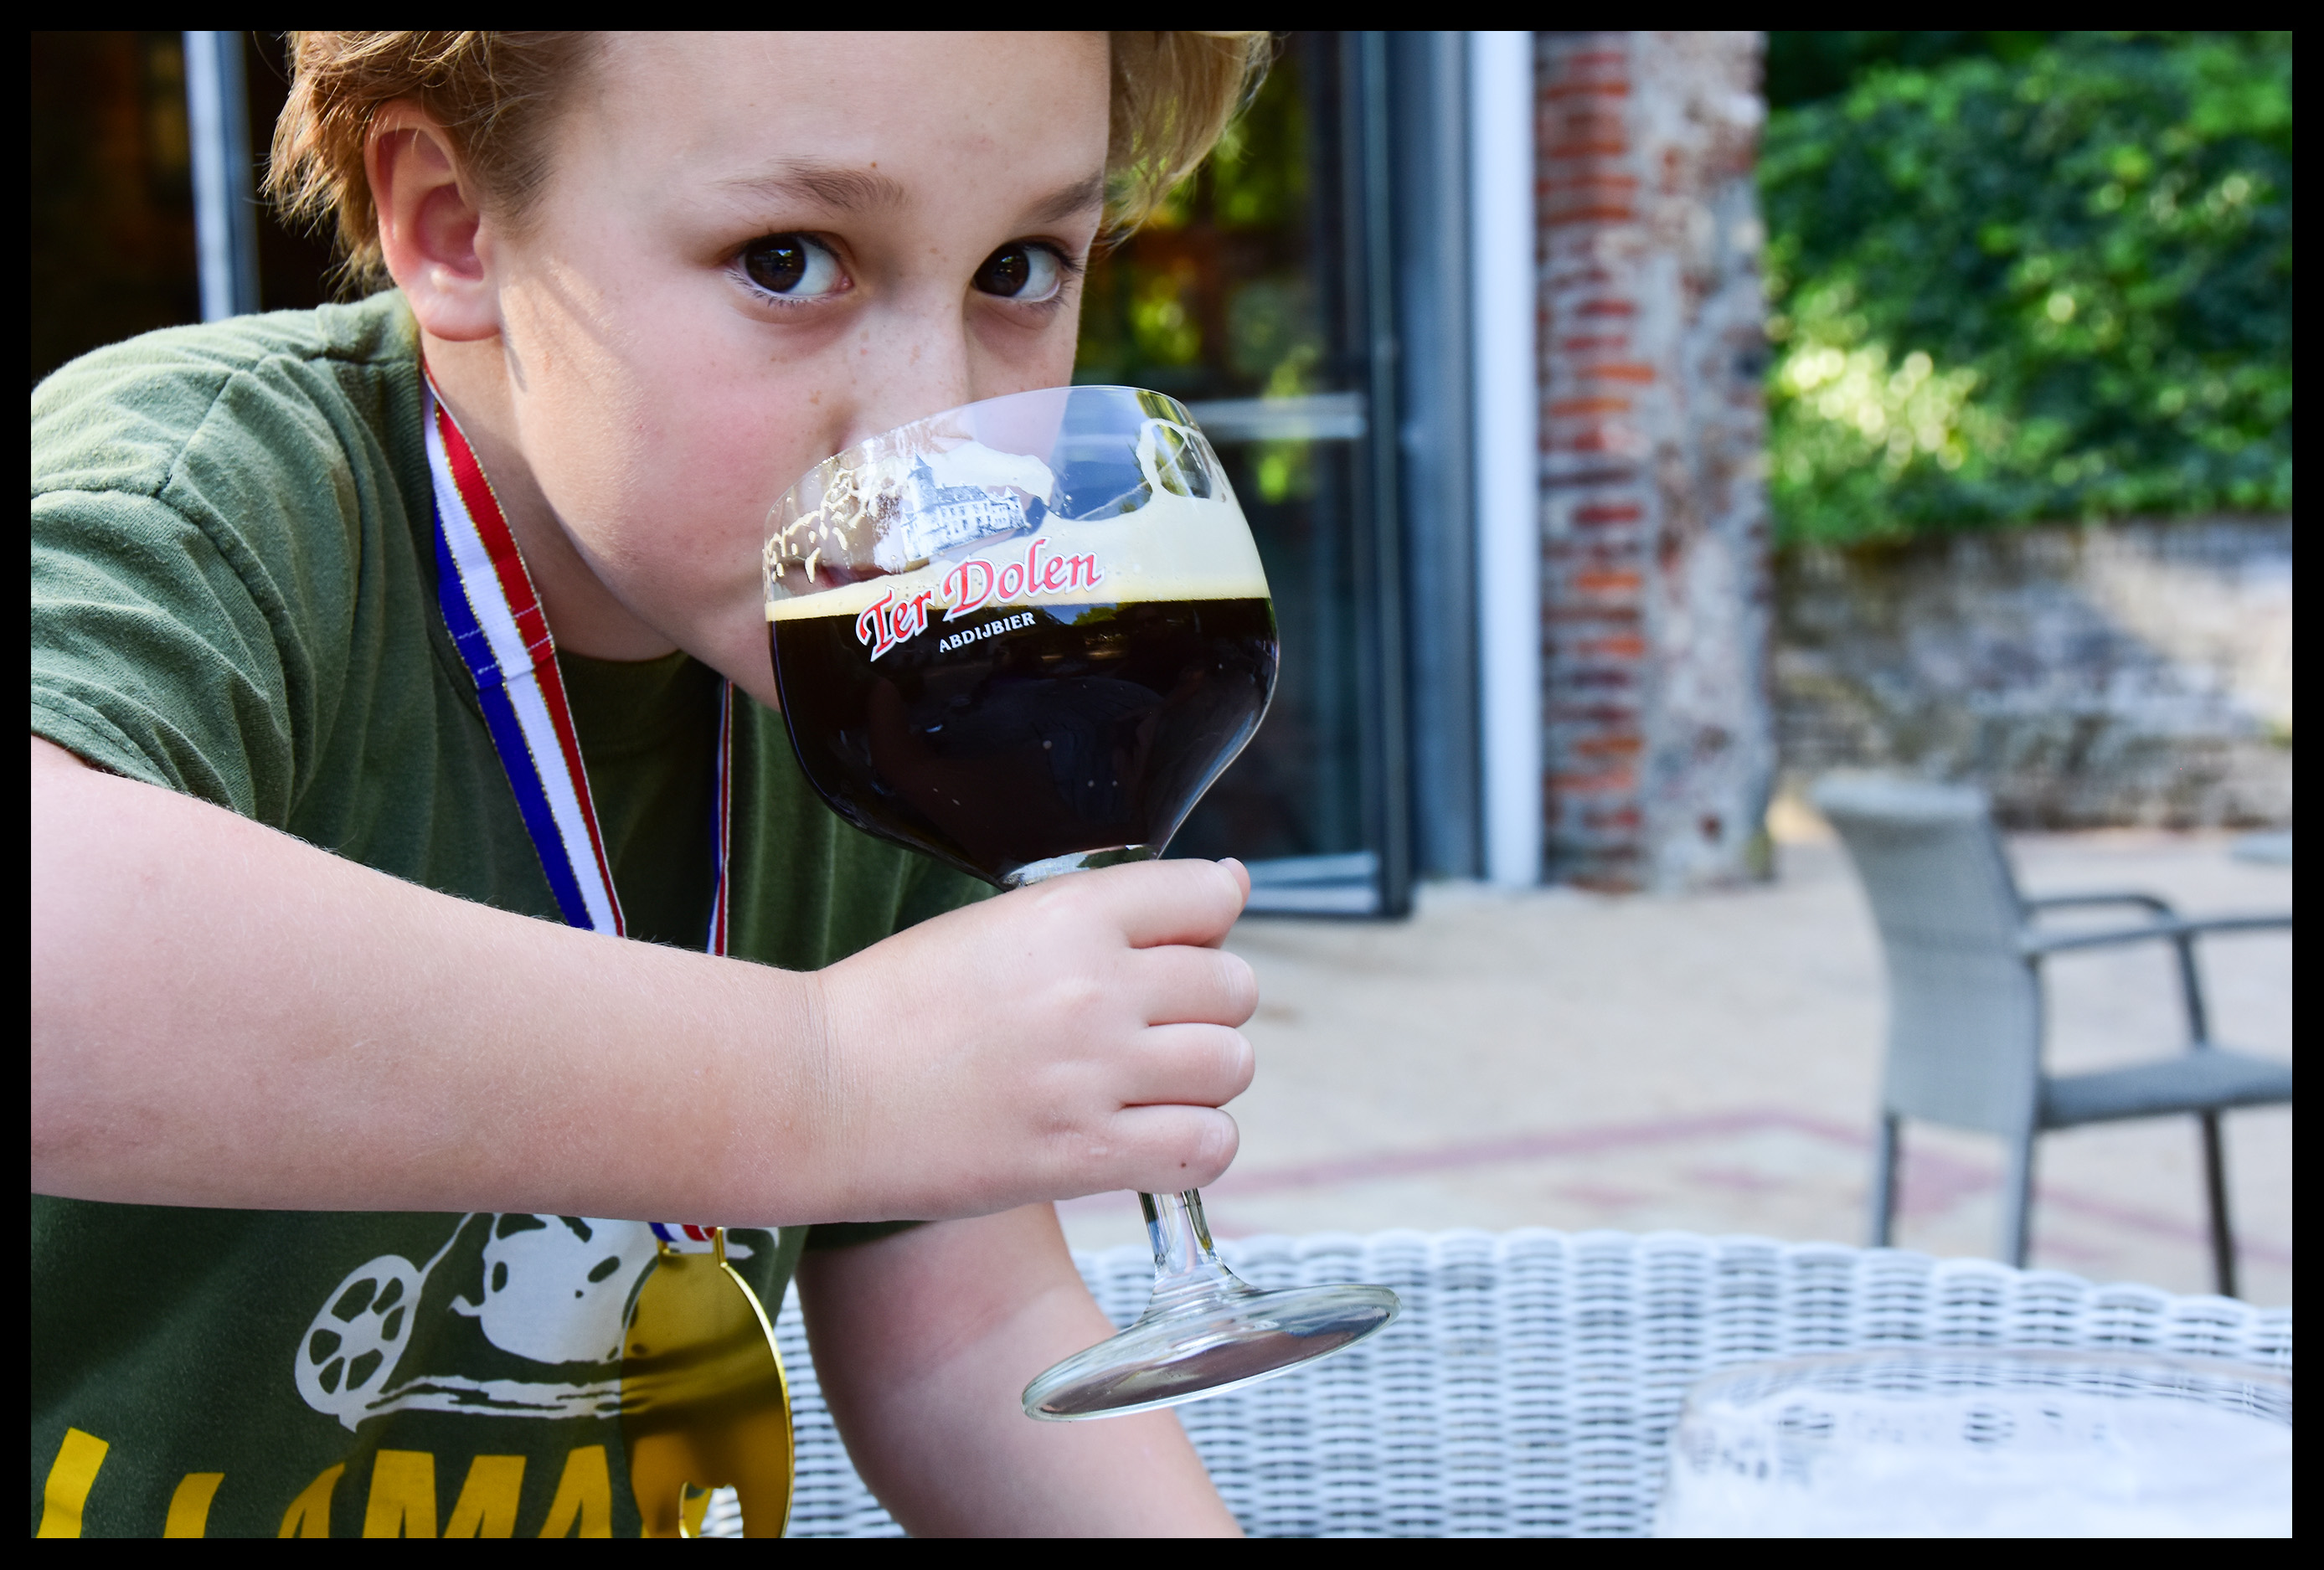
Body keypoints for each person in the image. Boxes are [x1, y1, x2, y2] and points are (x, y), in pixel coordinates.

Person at [31, 31, 1272, 1537]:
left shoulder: (877, 665)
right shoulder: (220, 505)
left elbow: (968, 1338)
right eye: (787, 260)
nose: (935, 437)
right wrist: (826, 1076)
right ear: (455, 227)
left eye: (1018, 270)